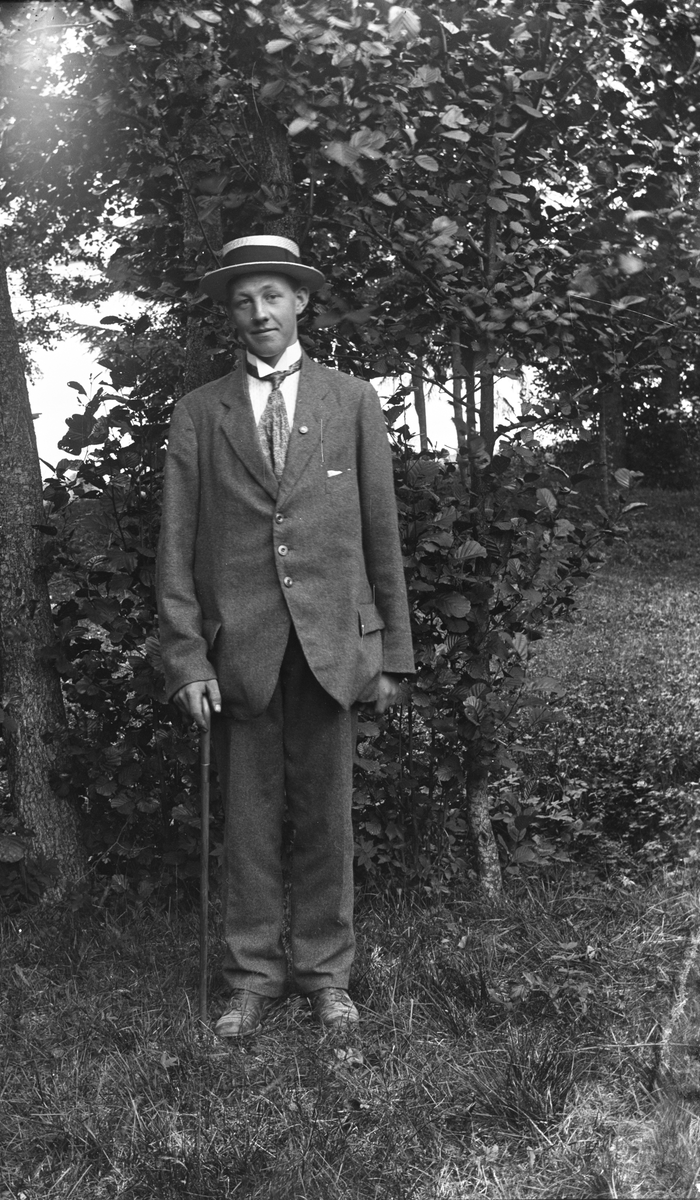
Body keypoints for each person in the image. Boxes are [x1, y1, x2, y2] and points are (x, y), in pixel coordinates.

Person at [156, 235, 414, 1038]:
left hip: (333, 646)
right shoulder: (201, 412)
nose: (258, 312)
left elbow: (380, 532)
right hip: (240, 652)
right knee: (248, 824)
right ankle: (252, 977)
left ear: (300, 301)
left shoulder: (352, 401)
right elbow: (175, 546)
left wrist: (392, 652)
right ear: (231, 314)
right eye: (243, 300)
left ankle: (326, 975)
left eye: (271, 295)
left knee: (327, 820)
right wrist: (186, 657)